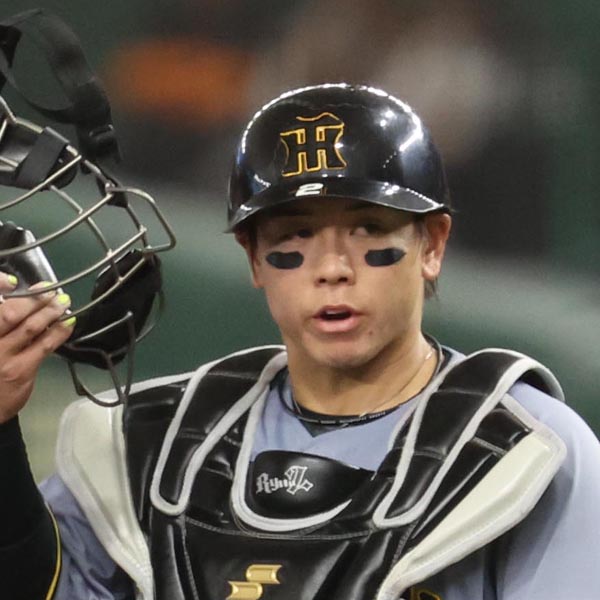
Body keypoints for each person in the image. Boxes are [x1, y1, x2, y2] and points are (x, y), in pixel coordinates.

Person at [1, 83, 599, 600]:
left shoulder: (528, 448)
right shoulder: (146, 444)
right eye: (296, 235)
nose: (333, 268)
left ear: (433, 245)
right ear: (254, 258)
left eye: (368, 228)